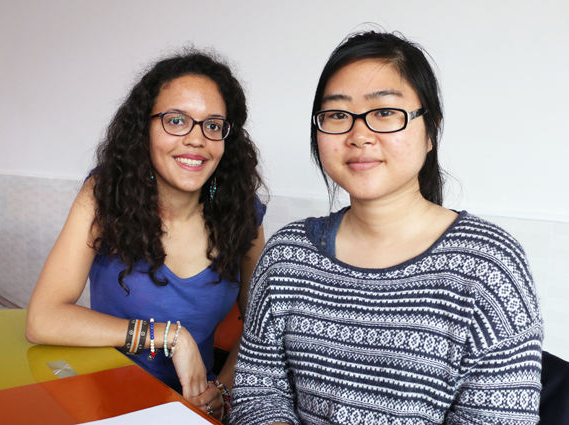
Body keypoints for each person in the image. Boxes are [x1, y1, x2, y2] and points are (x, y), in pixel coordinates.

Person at [230, 31, 542, 425]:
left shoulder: (488, 266)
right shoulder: (287, 256)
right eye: (337, 115)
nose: (359, 135)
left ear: (431, 131)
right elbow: (258, 392)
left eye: (385, 112)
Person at [26, 49, 266, 422]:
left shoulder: (242, 213)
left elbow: (259, 330)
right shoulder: (105, 195)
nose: (197, 139)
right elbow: (43, 319)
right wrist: (169, 335)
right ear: (145, 128)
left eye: (213, 125)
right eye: (176, 121)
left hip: (192, 410)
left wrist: (222, 388)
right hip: (105, 402)